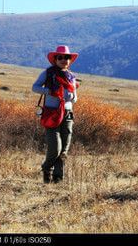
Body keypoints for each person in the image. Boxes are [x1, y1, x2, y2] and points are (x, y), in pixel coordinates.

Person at [32, 45, 79, 184]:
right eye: (60, 57)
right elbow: (35, 87)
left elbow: (75, 98)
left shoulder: (71, 77)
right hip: (52, 113)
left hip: (68, 114)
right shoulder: (48, 73)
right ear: (55, 59)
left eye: (67, 57)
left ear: (70, 60)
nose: (64, 60)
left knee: (64, 150)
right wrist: (50, 91)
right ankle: (46, 168)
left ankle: (58, 180)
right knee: (55, 149)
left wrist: (71, 97)